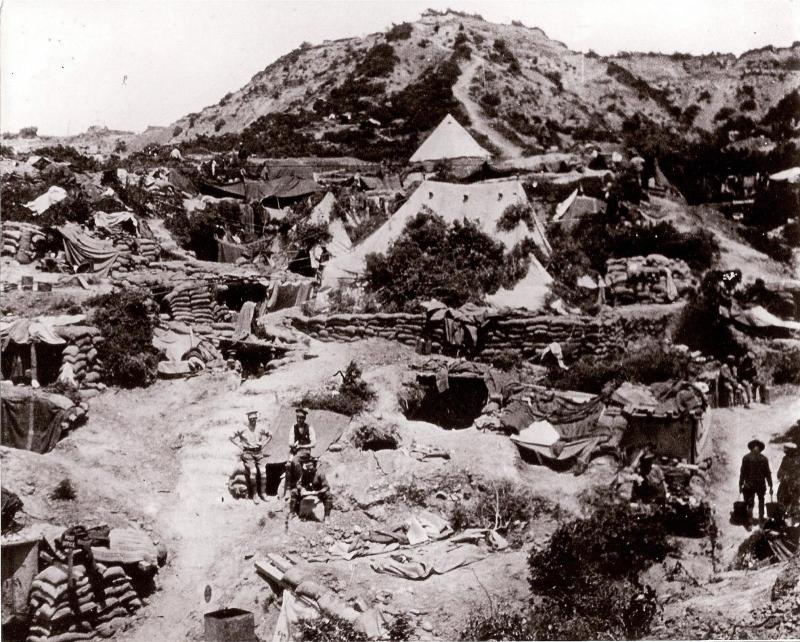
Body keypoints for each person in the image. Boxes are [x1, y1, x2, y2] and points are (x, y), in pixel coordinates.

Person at [230, 411, 272, 503]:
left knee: (263, 472)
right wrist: (239, 445)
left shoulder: (260, 428)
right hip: (248, 453)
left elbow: (270, 435)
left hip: (258, 452)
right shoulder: (243, 429)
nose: (253, 420)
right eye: (251, 419)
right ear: (248, 419)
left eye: (254, 418)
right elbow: (231, 437)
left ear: (257, 418)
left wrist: (264, 443)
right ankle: (255, 494)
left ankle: (263, 493)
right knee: (253, 472)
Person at [739, 439, 773, 525]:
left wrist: (770, 485)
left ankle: (757, 518)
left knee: (756, 501)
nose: (755, 448)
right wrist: (740, 484)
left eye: (757, 446)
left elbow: (767, 473)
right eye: (754, 446)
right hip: (754, 484)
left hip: (755, 484)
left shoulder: (747, 458)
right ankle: (757, 518)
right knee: (754, 501)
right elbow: (743, 472)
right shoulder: (762, 458)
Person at [284, 408, 317, 495]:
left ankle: (301, 484)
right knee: (288, 464)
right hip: (295, 450)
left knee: (295, 460)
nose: (299, 419)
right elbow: (290, 441)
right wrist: (293, 444)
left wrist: (302, 446)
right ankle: (288, 488)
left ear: (305, 418)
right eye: (298, 417)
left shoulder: (309, 428)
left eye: (301, 417)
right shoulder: (293, 427)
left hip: (305, 451)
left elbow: (313, 444)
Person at [290, 456, 332, 521]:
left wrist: (319, 492)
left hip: (318, 492)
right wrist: (301, 489)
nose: (309, 470)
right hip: (308, 491)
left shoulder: (320, 474)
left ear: (314, 466)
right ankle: (292, 512)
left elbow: (326, 487)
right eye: (307, 468)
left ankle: (327, 516)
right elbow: (299, 484)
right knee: (294, 491)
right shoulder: (305, 473)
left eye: (311, 468)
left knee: (328, 494)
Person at [777, 442, 800, 517]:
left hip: (794, 483)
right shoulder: (785, 458)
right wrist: (780, 476)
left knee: (793, 500)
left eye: (786, 449)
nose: (784, 450)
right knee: (781, 497)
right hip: (786, 482)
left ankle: (793, 517)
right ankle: (785, 516)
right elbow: (781, 469)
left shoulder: (797, 459)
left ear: (790, 450)